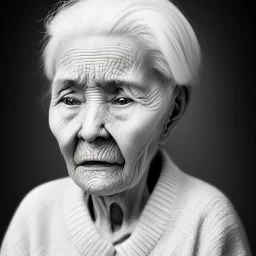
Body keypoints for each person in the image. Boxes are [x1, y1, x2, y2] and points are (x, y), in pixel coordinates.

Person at [1, 0, 251, 255]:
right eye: (70, 100)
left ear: (173, 111)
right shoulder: (34, 217)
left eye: (122, 100)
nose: (89, 131)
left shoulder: (208, 222)